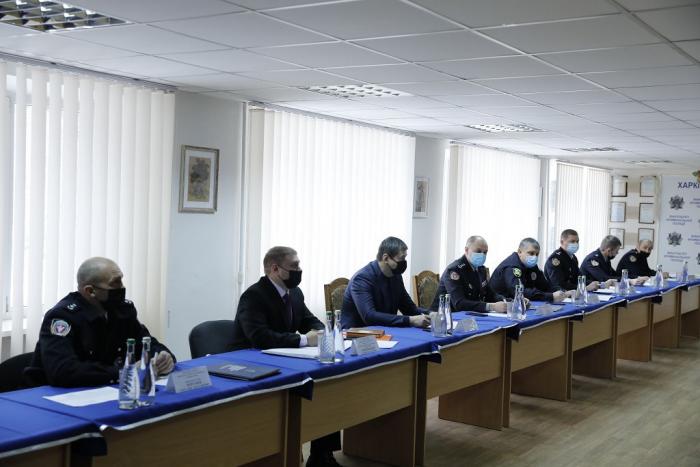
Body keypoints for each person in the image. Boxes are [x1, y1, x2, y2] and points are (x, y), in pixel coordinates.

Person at [230, 246, 339, 467]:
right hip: (252, 361)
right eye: (294, 266)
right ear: (275, 269)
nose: (299, 270)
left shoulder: (295, 293)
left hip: (283, 357)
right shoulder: (254, 295)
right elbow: (259, 337)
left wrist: (323, 331)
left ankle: (321, 456)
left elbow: (308, 320)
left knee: (327, 385)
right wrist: (303, 340)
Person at [29, 257, 175, 388]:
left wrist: (162, 356)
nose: (122, 287)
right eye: (115, 283)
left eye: (121, 280)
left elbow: (145, 342)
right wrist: (123, 373)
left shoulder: (122, 310)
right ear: (90, 291)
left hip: (104, 389)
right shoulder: (63, 317)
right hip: (53, 396)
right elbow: (63, 370)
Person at [341, 237, 430, 329]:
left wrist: (430, 314)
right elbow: (369, 316)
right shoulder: (362, 279)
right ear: (386, 258)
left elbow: (409, 308)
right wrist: (410, 320)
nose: (404, 262)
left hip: (385, 331)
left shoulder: (396, 276)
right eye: (401, 258)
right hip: (357, 333)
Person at [431, 235, 507, 313]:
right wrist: (492, 306)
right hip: (445, 315)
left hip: (470, 314)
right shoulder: (454, 270)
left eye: (485, 252)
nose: (482, 255)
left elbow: (489, 294)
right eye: (478, 251)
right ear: (466, 250)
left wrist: (506, 301)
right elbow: (459, 303)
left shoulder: (481, 269)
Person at [490, 238, 568, 302]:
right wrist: (550, 296)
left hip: (520, 304)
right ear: (519, 252)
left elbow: (544, 286)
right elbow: (519, 292)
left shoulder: (531, 265)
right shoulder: (512, 267)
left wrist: (562, 291)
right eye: (531, 253)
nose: (534, 257)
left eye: (537, 254)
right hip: (501, 306)